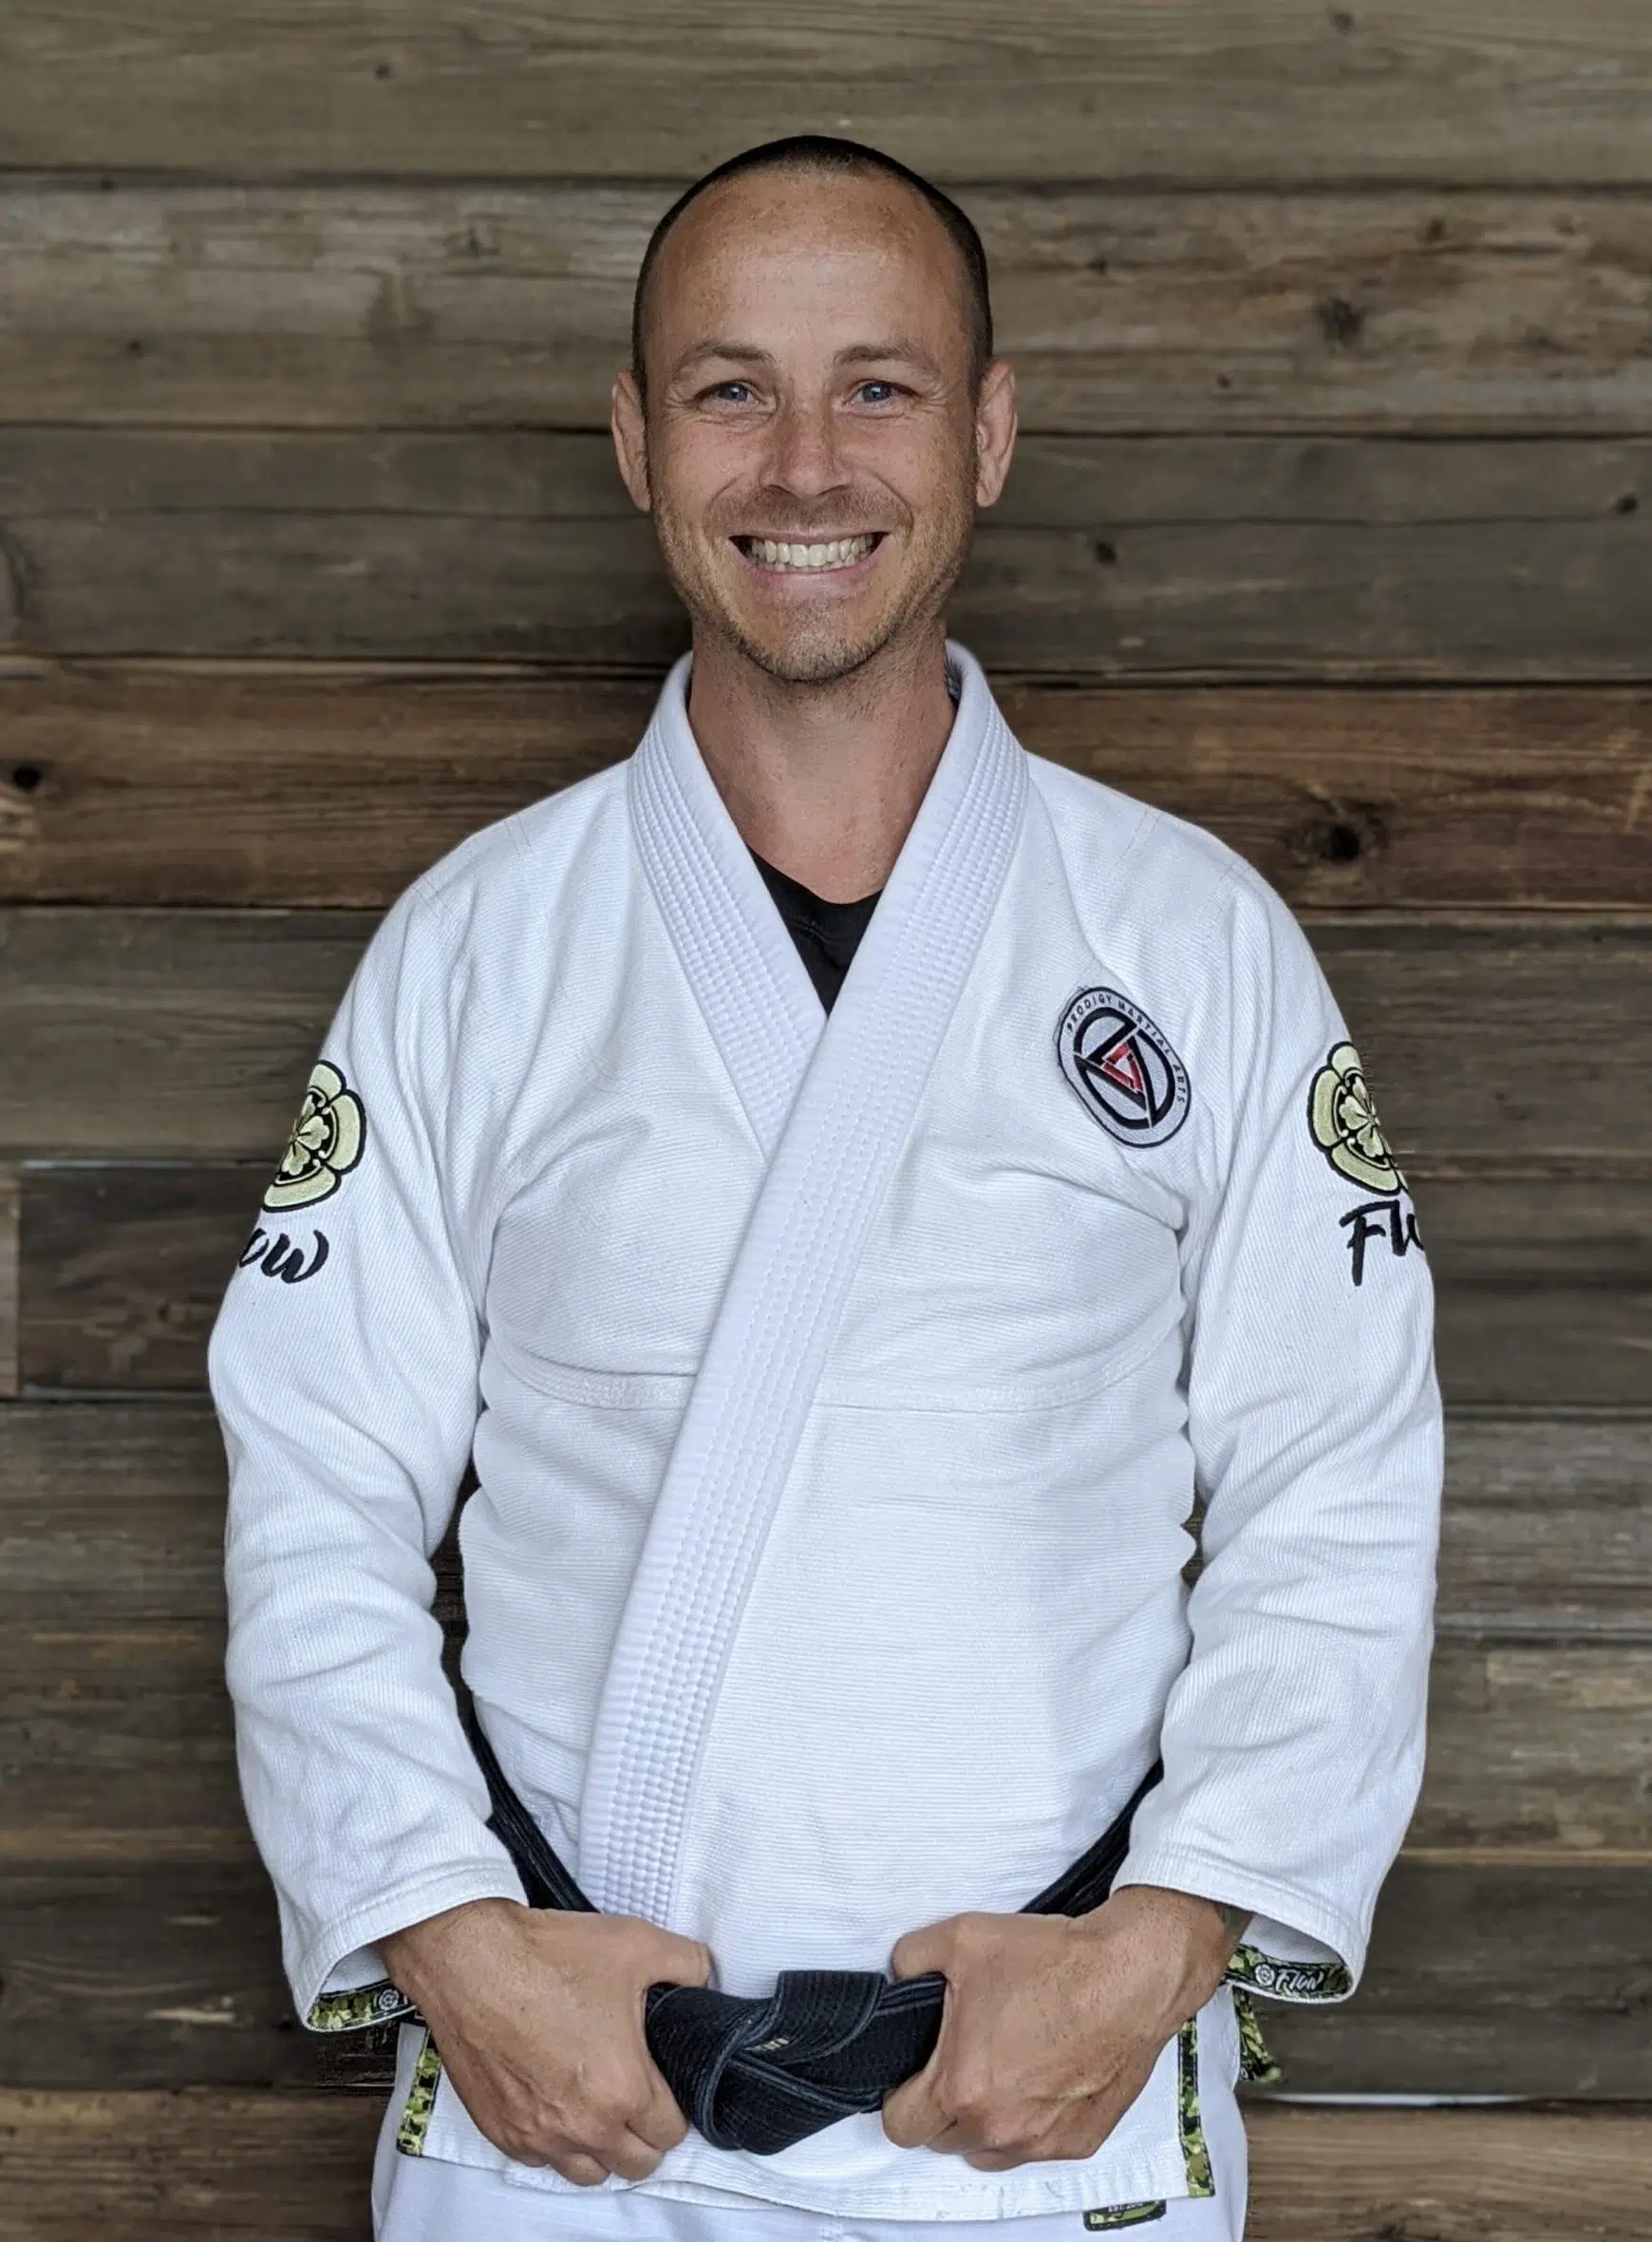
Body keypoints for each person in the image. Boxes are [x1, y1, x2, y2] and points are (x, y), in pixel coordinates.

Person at [209, 136, 1442, 2241]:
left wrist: (1162, 1944)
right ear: (631, 440)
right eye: (727, 388)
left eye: (876, 386)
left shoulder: (1194, 937)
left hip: (1057, 2109)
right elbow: (313, 1482)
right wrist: (444, 1935)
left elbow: (1339, 1482)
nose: (802, 462)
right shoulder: (479, 944)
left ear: (989, 432)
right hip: (562, 2112)